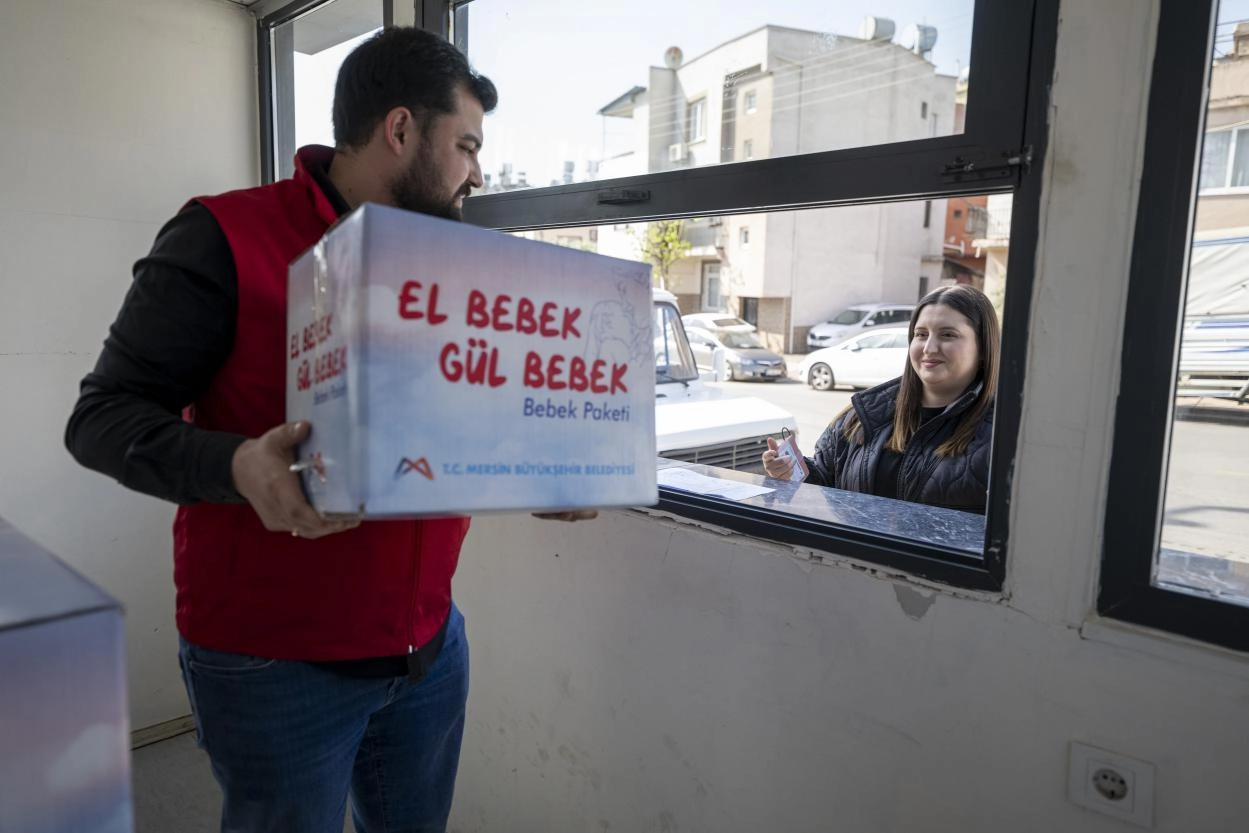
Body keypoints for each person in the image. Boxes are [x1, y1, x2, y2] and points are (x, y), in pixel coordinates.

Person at [64, 26, 591, 833]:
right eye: (467, 146)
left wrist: (542, 463)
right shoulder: (222, 236)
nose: (478, 174)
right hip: (275, 663)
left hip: (428, 645)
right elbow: (100, 417)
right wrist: (239, 464)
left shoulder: (452, 264)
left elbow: (458, 421)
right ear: (401, 129)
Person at [762, 284, 999, 514]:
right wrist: (789, 472)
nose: (929, 347)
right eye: (921, 334)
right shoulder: (863, 415)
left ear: (983, 348)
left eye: (948, 335)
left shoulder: (1004, 436)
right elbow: (824, 482)